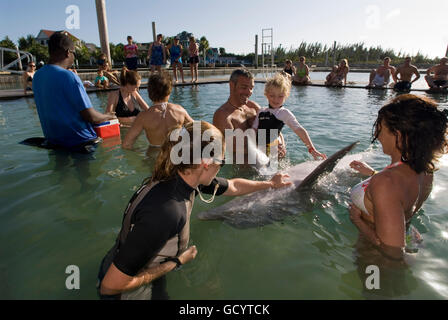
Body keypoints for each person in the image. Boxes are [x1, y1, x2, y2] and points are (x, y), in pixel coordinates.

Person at [97, 120, 292, 299]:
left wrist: (269, 184)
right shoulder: (168, 211)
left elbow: (234, 186)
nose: (221, 167)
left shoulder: (182, 175)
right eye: (221, 162)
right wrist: (176, 262)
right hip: (125, 290)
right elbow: (110, 286)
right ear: (206, 163)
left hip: (122, 261)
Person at [348, 94, 448, 260]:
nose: (377, 135)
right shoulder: (425, 170)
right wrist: (373, 173)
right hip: (410, 236)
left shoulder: (386, 182)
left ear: (399, 135)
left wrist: (357, 221)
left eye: (380, 127)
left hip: (375, 261)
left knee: (375, 287)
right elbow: (401, 200)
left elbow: (391, 253)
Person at [32, 32, 116, 153]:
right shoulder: (68, 76)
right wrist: (109, 116)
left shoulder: (37, 76)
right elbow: (90, 116)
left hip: (54, 141)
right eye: (74, 53)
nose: (74, 57)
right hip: (80, 141)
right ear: (67, 52)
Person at [213, 69, 287, 162]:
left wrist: (282, 146)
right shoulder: (223, 115)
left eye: (251, 88)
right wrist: (268, 147)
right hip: (246, 172)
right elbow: (234, 147)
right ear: (231, 85)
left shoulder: (253, 107)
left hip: (268, 160)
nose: (249, 92)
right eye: (244, 87)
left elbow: (275, 130)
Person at [252, 72, 326, 160]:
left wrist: (311, 149)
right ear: (266, 94)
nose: (276, 99)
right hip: (258, 150)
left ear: (286, 96)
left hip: (273, 151)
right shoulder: (261, 111)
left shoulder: (284, 113)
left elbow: (299, 130)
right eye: (272, 96)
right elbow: (254, 130)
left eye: (280, 96)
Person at [122, 71, 193, 149]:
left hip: (154, 156)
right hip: (177, 154)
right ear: (169, 91)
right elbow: (200, 130)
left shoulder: (143, 117)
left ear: (149, 92)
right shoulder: (180, 111)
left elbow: (126, 144)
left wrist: (138, 152)